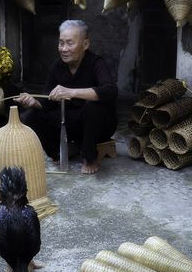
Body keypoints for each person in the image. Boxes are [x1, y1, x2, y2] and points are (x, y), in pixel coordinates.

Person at [14, 19, 117, 174]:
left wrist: (71, 92)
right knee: (31, 116)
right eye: (61, 43)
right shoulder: (57, 66)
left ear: (85, 44)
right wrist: (33, 102)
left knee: (91, 107)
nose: (64, 49)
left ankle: (90, 158)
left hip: (98, 124)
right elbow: (47, 101)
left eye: (70, 43)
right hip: (71, 122)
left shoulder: (96, 63)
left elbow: (110, 90)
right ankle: (58, 151)